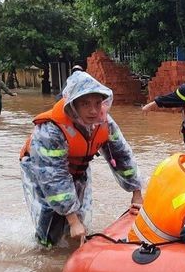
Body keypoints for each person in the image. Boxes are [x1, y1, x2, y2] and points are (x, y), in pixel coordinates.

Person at [20, 71, 143, 248]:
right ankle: (45, 248)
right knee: (51, 219)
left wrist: (136, 193)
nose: (93, 110)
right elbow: (53, 177)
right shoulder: (50, 130)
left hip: (78, 166)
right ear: (73, 105)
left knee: (82, 217)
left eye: (97, 103)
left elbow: (122, 155)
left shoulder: (103, 121)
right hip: (41, 169)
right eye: (85, 104)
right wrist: (72, 220)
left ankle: (73, 242)